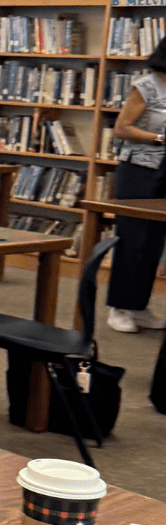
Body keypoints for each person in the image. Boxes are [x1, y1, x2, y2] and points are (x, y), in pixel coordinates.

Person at [107, 37, 166, 333]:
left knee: (154, 242)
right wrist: (159, 138)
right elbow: (122, 128)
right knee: (132, 239)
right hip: (139, 169)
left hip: (165, 171)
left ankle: (138, 306)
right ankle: (118, 307)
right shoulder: (147, 85)